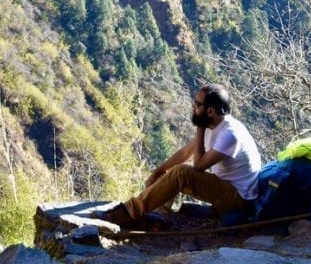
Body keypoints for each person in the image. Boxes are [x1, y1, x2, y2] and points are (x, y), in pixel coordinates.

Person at [99, 83, 262, 227]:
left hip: (238, 197)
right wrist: (158, 172)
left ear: (210, 111)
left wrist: (200, 128)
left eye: (197, 104)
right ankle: (157, 213)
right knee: (171, 173)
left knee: (181, 173)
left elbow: (198, 166)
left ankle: (129, 213)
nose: (193, 107)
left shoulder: (229, 134)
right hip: (225, 186)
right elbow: (185, 152)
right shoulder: (214, 125)